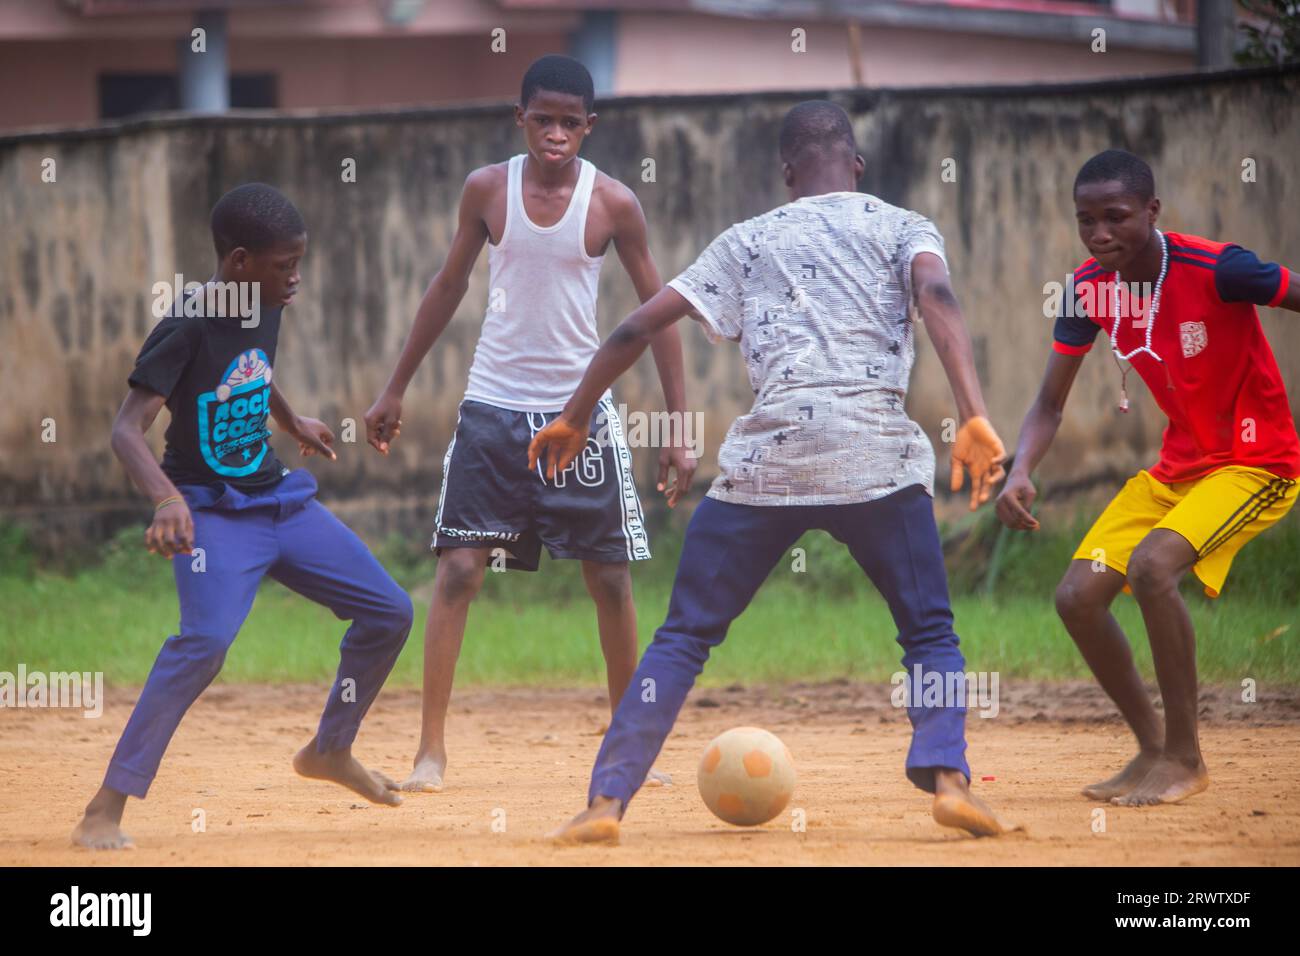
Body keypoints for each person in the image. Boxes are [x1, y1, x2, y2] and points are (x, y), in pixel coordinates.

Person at [530, 100, 1009, 843]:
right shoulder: (902, 224)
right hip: (875, 458)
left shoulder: (747, 240)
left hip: (768, 463)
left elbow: (635, 325)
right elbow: (938, 296)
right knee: (928, 632)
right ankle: (948, 778)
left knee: (683, 637)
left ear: (787, 174)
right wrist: (973, 413)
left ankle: (606, 803)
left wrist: (575, 411)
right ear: (855, 164)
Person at [364, 55, 693, 793]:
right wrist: (395, 386)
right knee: (456, 572)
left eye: (569, 122)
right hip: (492, 409)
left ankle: (628, 747)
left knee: (609, 580)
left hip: (580, 418)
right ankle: (431, 753)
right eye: (541, 118)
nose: (554, 133)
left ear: (589, 127)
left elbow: (659, 313)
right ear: (521, 119)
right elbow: (448, 284)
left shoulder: (614, 205)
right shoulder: (487, 189)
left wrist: (681, 427)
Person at [73, 183, 413, 850]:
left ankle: (329, 749)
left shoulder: (265, 301)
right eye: (285, 265)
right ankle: (103, 808)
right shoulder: (186, 324)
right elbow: (125, 431)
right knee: (203, 645)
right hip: (212, 514)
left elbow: (251, 367)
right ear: (238, 262)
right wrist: (166, 499)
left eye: (297, 263)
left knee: (390, 611)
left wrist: (290, 419)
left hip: (279, 499)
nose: (296, 278)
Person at [996, 149, 1300, 806]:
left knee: (1151, 567)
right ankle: (1152, 749)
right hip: (1177, 470)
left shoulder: (1219, 268)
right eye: (1086, 221)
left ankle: (1187, 759)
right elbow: (1049, 403)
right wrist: (1021, 468)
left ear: (1152, 212)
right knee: (1076, 596)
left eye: (1116, 217)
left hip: (1257, 464)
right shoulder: (1086, 287)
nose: (1100, 234)